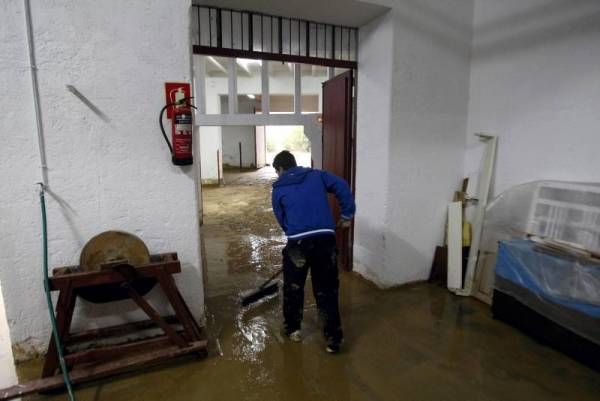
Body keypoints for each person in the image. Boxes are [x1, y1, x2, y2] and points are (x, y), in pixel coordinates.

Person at [271, 150, 356, 353]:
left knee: (293, 287)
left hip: (297, 243)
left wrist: (294, 233)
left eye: (277, 172)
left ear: (281, 169)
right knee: (327, 289)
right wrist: (346, 214)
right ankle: (333, 340)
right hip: (325, 240)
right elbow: (342, 186)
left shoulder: (278, 189)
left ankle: (293, 330)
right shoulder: (317, 175)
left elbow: (281, 217)